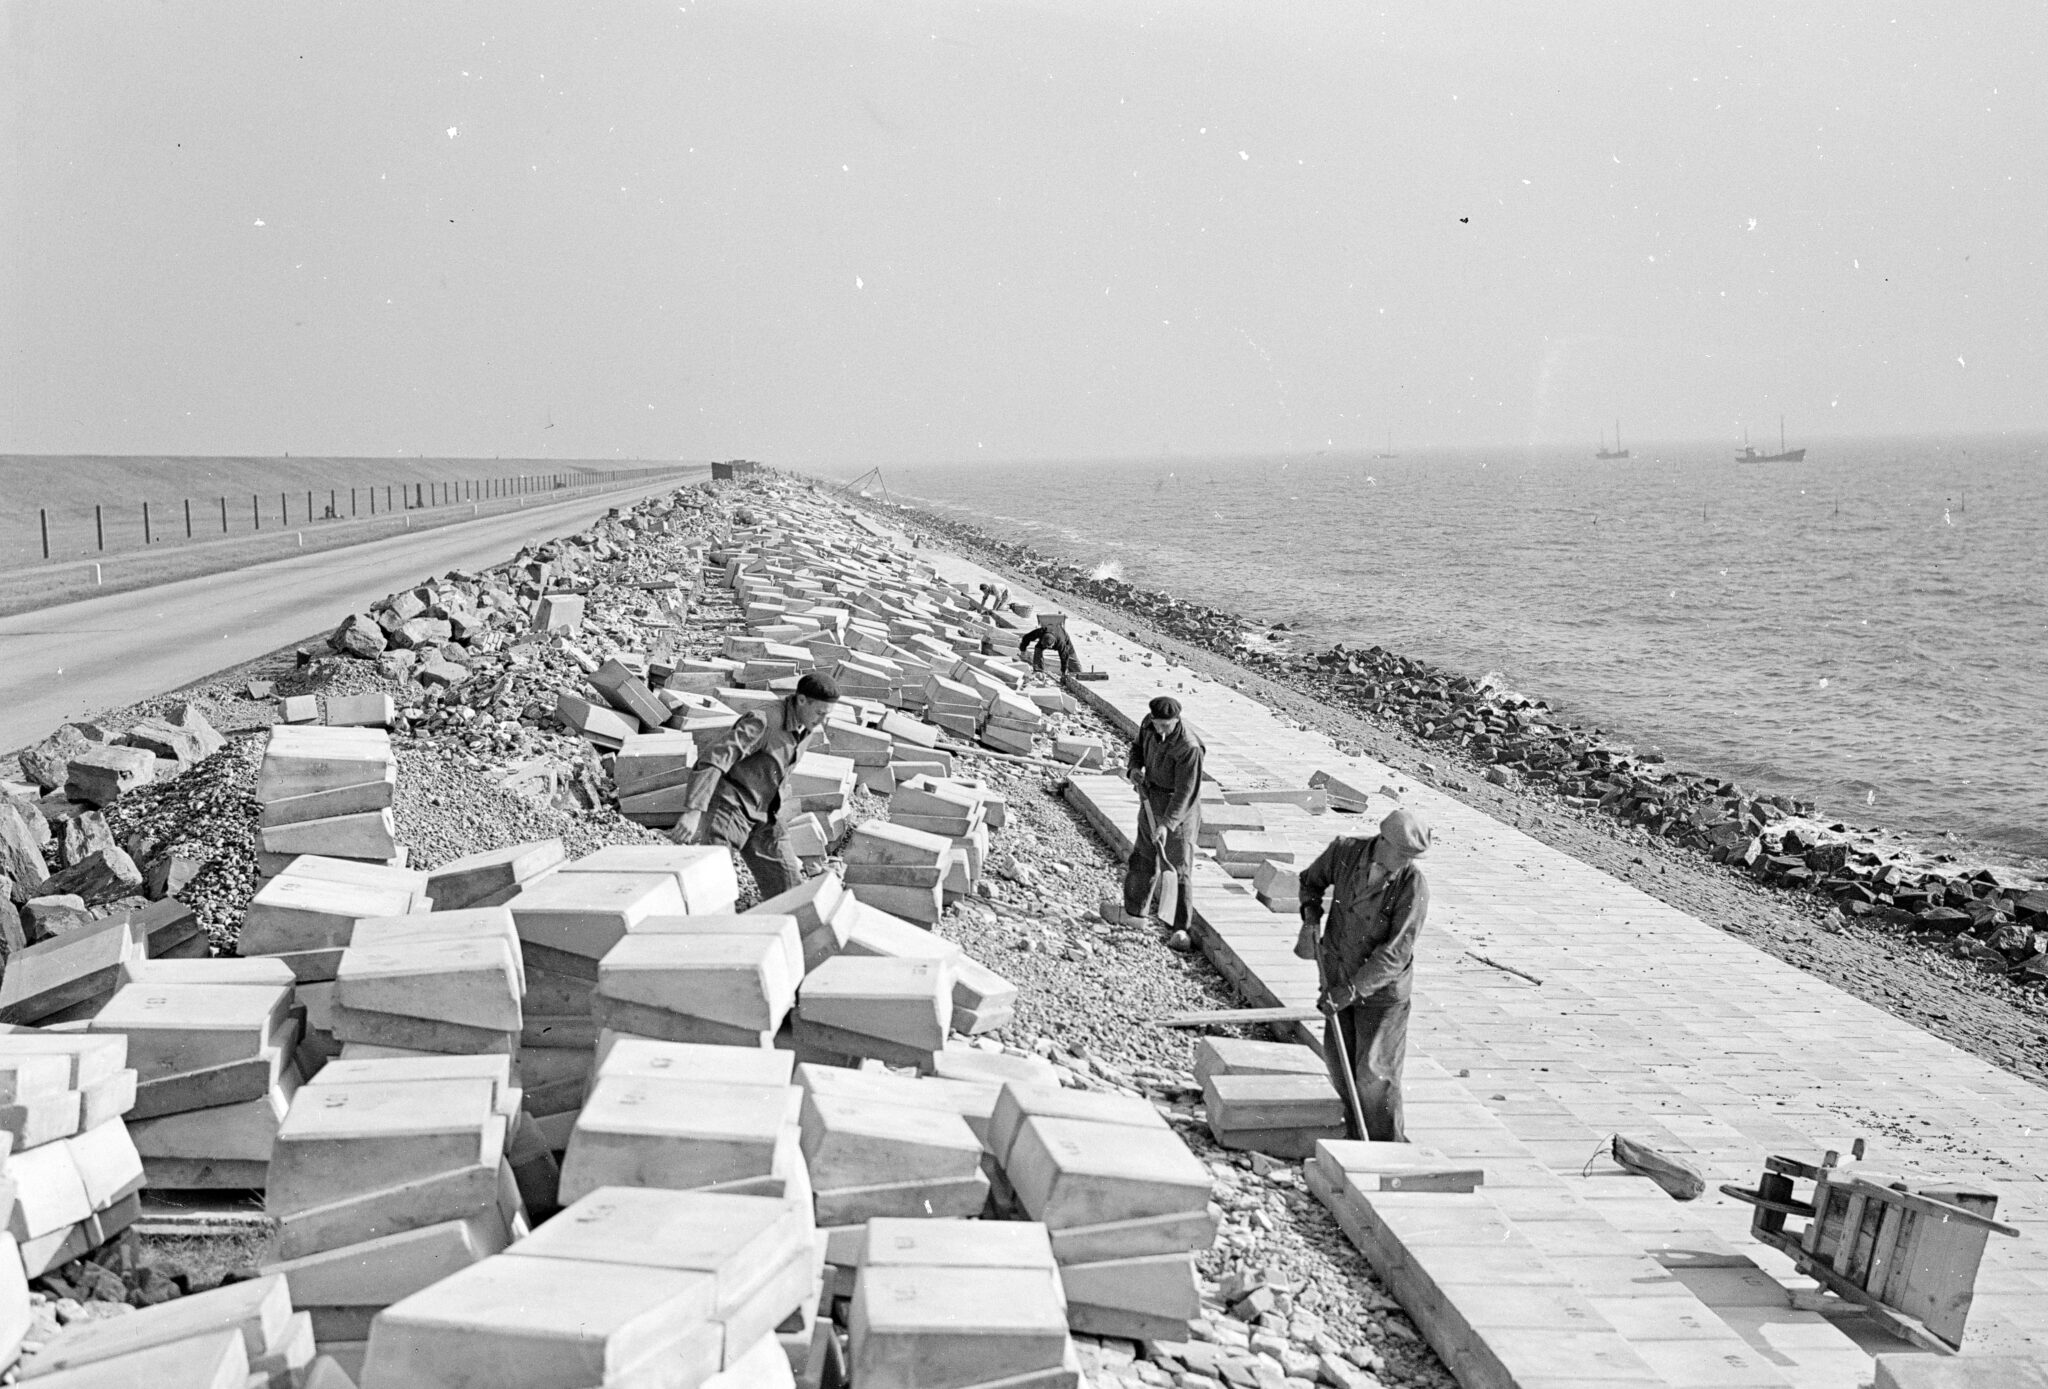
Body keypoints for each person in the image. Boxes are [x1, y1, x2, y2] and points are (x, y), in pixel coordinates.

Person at [1293, 808, 1433, 1142]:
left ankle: (1387, 1149)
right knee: (1340, 1067)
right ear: (1382, 839)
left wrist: (1351, 991)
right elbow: (1310, 882)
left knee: (1375, 1076)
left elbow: (1395, 954)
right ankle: (1354, 1141)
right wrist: (1311, 914)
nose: (1403, 864)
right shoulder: (1344, 852)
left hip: (1381, 995)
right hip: (1338, 975)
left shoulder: (1413, 887)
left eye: (1409, 858)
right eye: (1400, 855)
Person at [671, 672, 841, 897]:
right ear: (801, 700)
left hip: (766, 816)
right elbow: (714, 759)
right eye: (819, 713)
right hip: (730, 810)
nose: (821, 721)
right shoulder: (764, 721)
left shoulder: (805, 728)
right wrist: (694, 810)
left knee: (791, 890)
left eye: (826, 715)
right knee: (713, 887)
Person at [1121, 696, 1204, 935]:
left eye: (1165, 726)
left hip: (1180, 811)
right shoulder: (1149, 723)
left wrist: (1167, 825)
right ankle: (1135, 912)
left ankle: (1180, 929)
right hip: (1151, 798)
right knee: (1142, 856)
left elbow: (1186, 793)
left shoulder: (1189, 747)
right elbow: (1137, 748)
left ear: (1177, 721)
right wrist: (1135, 768)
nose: (1159, 729)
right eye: (1157, 724)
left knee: (1177, 868)